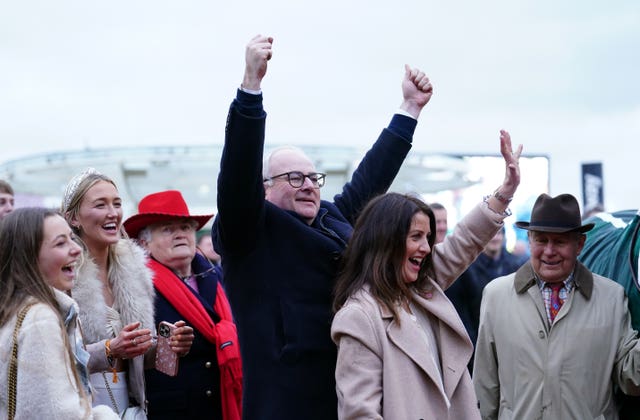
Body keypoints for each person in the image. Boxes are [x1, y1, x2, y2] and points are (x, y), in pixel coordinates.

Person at [211, 34, 433, 419]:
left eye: (313, 178)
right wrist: (250, 89)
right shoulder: (249, 232)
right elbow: (237, 172)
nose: (309, 186)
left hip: (349, 388)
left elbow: (371, 178)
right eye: (294, 178)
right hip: (286, 401)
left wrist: (410, 108)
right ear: (265, 190)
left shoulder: (332, 217)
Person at [331, 131, 521, 419]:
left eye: (428, 236)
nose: (426, 246)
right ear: (386, 240)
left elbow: (465, 241)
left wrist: (506, 190)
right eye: (416, 236)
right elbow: (360, 413)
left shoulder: (420, 289)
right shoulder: (360, 316)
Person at [473, 193, 640, 419]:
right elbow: (485, 385)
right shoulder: (496, 295)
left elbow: (631, 377)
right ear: (530, 240)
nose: (549, 251)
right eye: (541, 240)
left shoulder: (611, 298)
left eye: (560, 241)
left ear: (579, 244)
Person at [62, 168, 192, 417]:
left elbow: (140, 359)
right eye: (100, 205)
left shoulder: (135, 269)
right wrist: (110, 349)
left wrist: (170, 346)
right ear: (73, 218)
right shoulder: (63, 273)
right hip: (81, 407)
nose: (112, 213)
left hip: (132, 408)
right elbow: (53, 360)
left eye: (117, 203)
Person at [124, 190, 241, 420]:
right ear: (144, 243)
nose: (180, 235)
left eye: (186, 227)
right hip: (174, 411)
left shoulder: (215, 276)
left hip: (222, 405)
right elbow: (132, 360)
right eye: (168, 229)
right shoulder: (137, 286)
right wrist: (168, 345)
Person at [0, 207, 119, 419]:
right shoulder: (39, 319)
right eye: (60, 243)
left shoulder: (14, 310)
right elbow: (54, 414)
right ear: (28, 256)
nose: (77, 249)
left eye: (72, 239)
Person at [445, 226, 526, 368]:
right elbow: (461, 313)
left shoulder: (516, 265)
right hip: (476, 345)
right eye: (491, 233)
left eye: (499, 233)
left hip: (510, 347)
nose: (495, 238)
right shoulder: (466, 270)